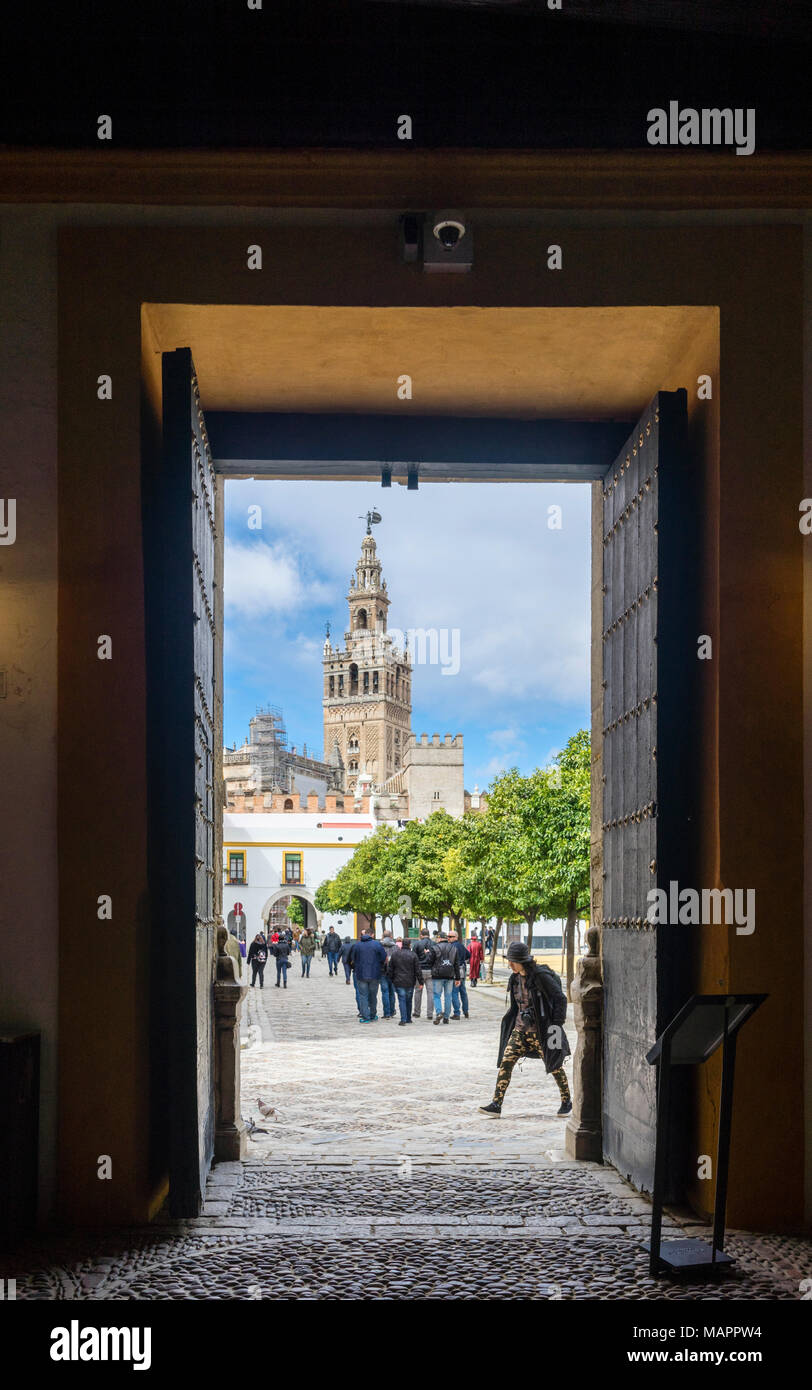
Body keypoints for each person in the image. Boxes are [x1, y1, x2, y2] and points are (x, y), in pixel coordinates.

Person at [479, 941, 572, 1117]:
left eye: (512, 961)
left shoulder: (540, 977)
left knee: (554, 1065)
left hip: (543, 1031)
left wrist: (557, 1024)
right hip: (520, 1030)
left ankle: (566, 1101)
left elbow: (560, 998)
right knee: (506, 1062)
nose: (509, 964)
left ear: (522, 961)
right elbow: (515, 1006)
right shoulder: (514, 978)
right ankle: (496, 1104)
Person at [351, 928, 387, 1023]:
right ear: (372, 935)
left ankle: (366, 1016)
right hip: (374, 974)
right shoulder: (377, 944)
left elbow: (352, 958)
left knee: (363, 996)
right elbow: (383, 957)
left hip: (361, 974)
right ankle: (373, 1014)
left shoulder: (357, 945)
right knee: (373, 995)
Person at [386, 936, 421, 1025]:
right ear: (410, 945)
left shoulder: (395, 954)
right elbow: (417, 970)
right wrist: (420, 981)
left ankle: (403, 1019)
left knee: (402, 999)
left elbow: (390, 968)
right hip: (410, 980)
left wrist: (391, 978)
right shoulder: (413, 955)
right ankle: (408, 1018)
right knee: (409, 1000)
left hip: (398, 980)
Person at [431, 931, 460, 1026]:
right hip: (450, 975)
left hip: (437, 975)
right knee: (448, 996)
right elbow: (456, 964)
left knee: (436, 995)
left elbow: (429, 961)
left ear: (439, 938)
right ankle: (446, 1017)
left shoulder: (435, 948)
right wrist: (458, 978)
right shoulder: (454, 948)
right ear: (446, 938)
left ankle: (439, 1012)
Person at [412, 928, 436, 1019]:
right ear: (429, 934)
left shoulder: (417, 944)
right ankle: (430, 1014)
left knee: (418, 992)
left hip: (420, 971)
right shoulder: (434, 944)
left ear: (421, 935)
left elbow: (413, 957)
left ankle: (417, 1012)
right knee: (431, 993)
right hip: (431, 970)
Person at [379, 929, 398, 1019]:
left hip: (382, 971)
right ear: (391, 936)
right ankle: (392, 1011)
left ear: (383, 936)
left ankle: (386, 1013)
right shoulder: (395, 947)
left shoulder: (380, 946)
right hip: (393, 972)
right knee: (392, 992)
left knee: (385, 992)